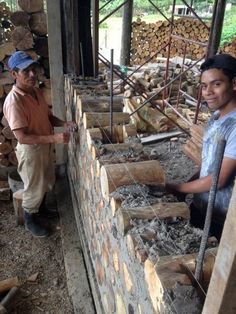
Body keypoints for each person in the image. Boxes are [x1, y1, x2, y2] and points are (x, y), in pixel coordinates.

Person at [3, 51, 77, 238]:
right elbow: (22, 137)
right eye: (25, 71)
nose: (32, 74)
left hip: (43, 145)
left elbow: (48, 117)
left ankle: (40, 211)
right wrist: (54, 139)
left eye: (33, 69)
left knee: (46, 180)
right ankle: (30, 221)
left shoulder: (35, 92)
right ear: (13, 74)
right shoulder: (14, 101)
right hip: (30, 150)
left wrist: (63, 124)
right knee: (34, 186)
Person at [167, 53, 236, 239]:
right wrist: (188, 185)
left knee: (212, 265)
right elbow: (209, 165)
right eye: (204, 86)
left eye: (217, 84)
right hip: (202, 208)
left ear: (234, 83)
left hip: (223, 220)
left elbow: (219, 179)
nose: (208, 92)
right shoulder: (216, 118)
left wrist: (179, 188)